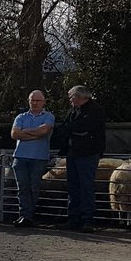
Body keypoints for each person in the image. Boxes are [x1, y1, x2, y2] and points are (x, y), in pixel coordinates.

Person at [56, 85, 106, 232]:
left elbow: (82, 127)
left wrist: (71, 129)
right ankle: (73, 218)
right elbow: (67, 127)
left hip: (88, 153)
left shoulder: (95, 110)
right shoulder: (74, 111)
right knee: (73, 186)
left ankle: (87, 219)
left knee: (86, 186)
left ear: (81, 97)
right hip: (73, 152)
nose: (71, 100)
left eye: (73, 97)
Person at [9, 90, 55, 228]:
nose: (34, 103)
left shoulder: (49, 116)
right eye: (32, 100)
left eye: (37, 101)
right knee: (22, 187)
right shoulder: (21, 117)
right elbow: (14, 134)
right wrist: (35, 134)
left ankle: (28, 215)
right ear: (29, 101)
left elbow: (44, 131)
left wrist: (25, 132)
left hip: (39, 157)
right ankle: (25, 215)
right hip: (20, 156)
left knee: (33, 187)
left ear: (43, 102)